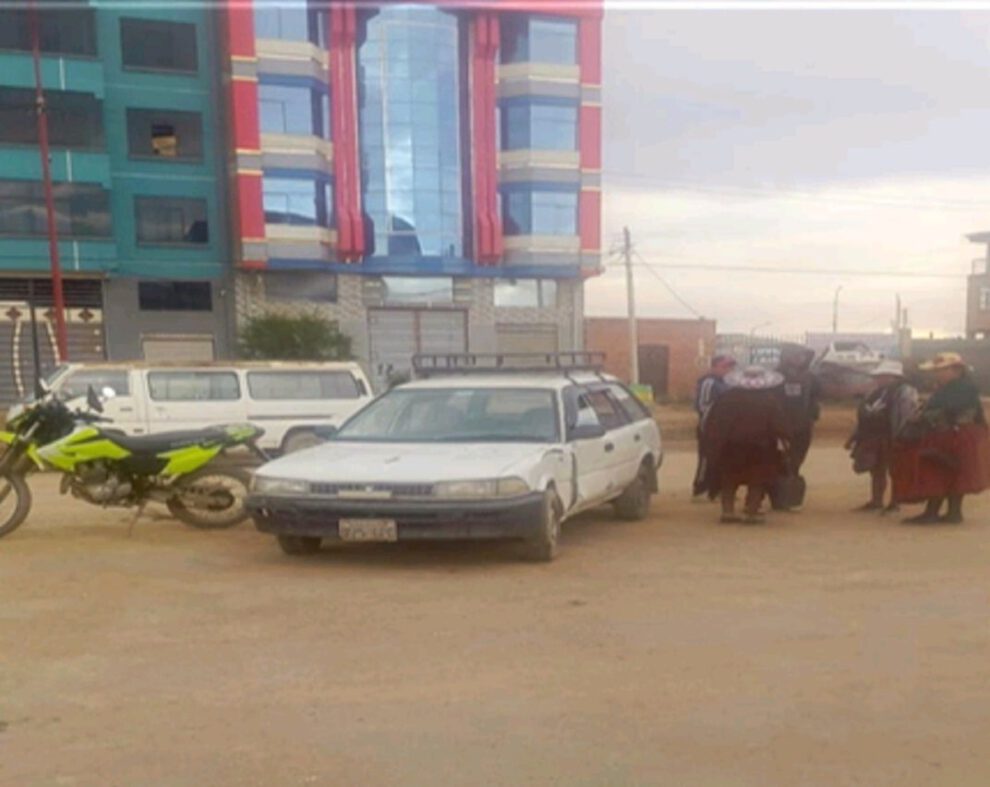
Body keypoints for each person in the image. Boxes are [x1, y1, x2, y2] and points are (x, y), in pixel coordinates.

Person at [894, 353, 990, 524]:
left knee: (937, 471)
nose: (937, 373)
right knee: (952, 472)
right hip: (956, 434)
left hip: (953, 434)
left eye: (941, 370)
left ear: (957, 370)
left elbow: (948, 410)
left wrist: (923, 417)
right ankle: (953, 513)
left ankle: (934, 512)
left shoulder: (961, 388)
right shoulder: (956, 387)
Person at [703, 365, 791, 524]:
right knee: (757, 480)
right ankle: (751, 512)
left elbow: (714, 423)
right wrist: (786, 438)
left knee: (729, 479)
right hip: (761, 448)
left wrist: (713, 446)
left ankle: (728, 512)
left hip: (731, 447)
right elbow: (779, 425)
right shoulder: (769, 400)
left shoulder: (727, 398)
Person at [845, 360, 918, 513]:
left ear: (895, 377)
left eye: (883, 376)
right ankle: (876, 501)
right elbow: (865, 417)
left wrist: (902, 436)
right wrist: (854, 436)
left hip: (892, 436)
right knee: (876, 470)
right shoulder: (875, 393)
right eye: (879, 376)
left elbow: (906, 416)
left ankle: (894, 502)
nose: (879, 379)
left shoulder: (905, 392)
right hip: (873, 436)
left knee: (894, 470)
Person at [692, 355, 737, 501]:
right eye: (725, 366)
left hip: (726, 429)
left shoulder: (727, 383)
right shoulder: (709, 382)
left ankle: (716, 490)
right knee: (707, 459)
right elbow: (703, 406)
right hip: (710, 428)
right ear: (715, 366)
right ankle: (701, 489)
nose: (728, 370)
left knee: (723, 459)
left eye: (730, 367)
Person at [776, 344, 822, 481]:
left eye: (802, 356)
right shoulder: (776, 376)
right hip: (780, 424)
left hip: (803, 425)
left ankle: (792, 478)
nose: (800, 359)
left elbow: (815, 397)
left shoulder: (810, 378)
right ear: (786, 357)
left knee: (799, 454)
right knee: (777, 456)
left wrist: (813, 414)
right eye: (796, 355)